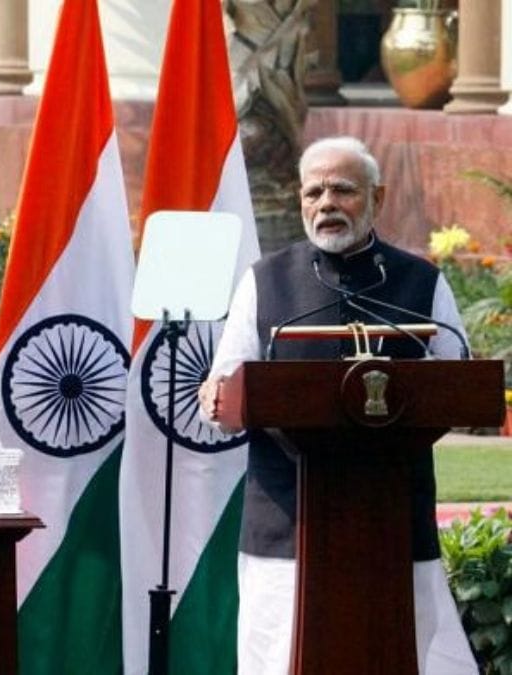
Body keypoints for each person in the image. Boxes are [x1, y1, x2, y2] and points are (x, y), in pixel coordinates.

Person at [198, 136, 476, 674]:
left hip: (393, 520)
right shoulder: (264, 282)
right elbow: (227, 386)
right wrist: (217, 394)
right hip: (286, 523)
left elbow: (457, 377)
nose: (325, 203)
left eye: (342, 190)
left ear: (378, 196)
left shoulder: (422, 282)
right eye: (313, 191)